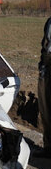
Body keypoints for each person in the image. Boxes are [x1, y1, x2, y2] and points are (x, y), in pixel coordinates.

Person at [36, 16, 51, 158]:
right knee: (45, 109)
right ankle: (48, 147)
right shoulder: (49, 22)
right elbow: (45, 46)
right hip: (46, 70)